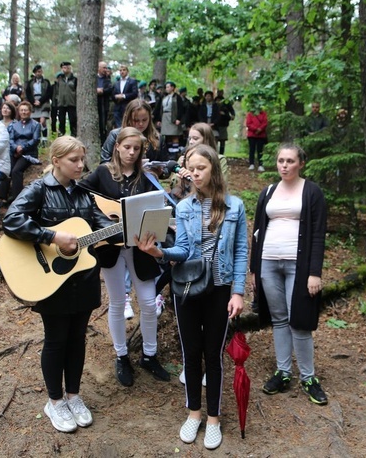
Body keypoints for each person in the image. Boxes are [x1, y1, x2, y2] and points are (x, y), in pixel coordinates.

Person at [3, 135, 121, 433]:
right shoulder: (38, 190)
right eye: (74, 160)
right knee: (56, 340)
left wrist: (130, 228)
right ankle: (55, 401)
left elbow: (102, 226)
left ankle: (74, 395)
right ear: (56, 161)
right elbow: (12, 220)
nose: (81, 165)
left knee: (78, 339)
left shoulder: (84, 194)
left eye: (83, 159)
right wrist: (52, 237)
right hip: (50, 281)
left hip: (82, 278)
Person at [135, 144, 246, 450]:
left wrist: (238, 291)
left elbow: (240, 251)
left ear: (214, 170)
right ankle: (193, 414)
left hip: (220, 287)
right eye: (191, 168)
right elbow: (182, 250)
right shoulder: (183, 207)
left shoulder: (234, 206)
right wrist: (159, 252)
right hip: (187, 287)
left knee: (213, 354)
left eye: (201, 168)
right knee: (191, 352)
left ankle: (213, 419)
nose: (195, 174)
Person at [80, 127, 170, 387]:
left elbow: (158, 207)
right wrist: (100, 220)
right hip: (110, 246)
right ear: (117, 146)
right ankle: (121, 355)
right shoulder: (101, 173)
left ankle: (150, 355)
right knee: (118, 301)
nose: (131, 153)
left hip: (141, 247)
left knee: (148, 301)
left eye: (137, 149)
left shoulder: (146, 178)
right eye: (127, 147)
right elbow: (80, 195)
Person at [250, 144, 328, 406]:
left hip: (299, 265)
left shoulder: (312, 192)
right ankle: (283, 373)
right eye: (281, 160)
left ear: (301, 163)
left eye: (290, 161)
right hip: (268, 263)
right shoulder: (269, 191)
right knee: (279, 319)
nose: (284, 165)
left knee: (300, 321)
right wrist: (254, 268)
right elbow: (257, 231)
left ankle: (308, 377)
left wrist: (314, 273)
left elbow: (317, 235)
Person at [0, 101, 40, 204]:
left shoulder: (35, 124)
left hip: (28, 153)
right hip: (15, 152)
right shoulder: (14, 125)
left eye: (25, 110)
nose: (23, 112)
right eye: (21, 110)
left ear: (30, 112)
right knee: (7, 170)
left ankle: (17, 198)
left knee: (16, 171)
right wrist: (16, 148)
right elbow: (10, 139)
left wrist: (23, 148)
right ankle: (2, 197)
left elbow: (35, 140)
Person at [100, 99, 167, 164]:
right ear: (128, 118)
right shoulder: (115, 135)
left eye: (144, 120)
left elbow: (165, 165)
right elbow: (104, 163)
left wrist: (157, 171)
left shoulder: (157, 138)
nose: (141, 124)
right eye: (136, 120)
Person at [153, 81, 184, 155]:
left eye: (168, 87)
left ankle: (175, 152)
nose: (166, 89)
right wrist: (159, 119)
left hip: (173, 117)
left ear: (172, 88)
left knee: (174, 135)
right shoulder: (164, 97)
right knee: (167, 135)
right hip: (165, 116)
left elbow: (181, 108)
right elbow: (159, 108)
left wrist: (178, 118)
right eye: (166, 87)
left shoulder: (177, 97)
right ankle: (169, 152)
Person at [25, 65, 52, 134]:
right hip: (33, 103)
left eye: (39, 71)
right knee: (35, 123)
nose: (38, 73)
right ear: (34, 73)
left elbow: (49, 93)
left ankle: (45, 137)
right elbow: (28, 93)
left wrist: (40, 101)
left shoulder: (46, 82)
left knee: (42, 121)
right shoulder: (30, 82)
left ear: (42, 72)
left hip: (44, 102)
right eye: (36, 72)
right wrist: (33, 101)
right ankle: (37, 137)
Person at [53, 62, 77, 137]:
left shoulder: (75, 79)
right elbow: (56, 91)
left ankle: (74, 136)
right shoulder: (59, 79)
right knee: (61, 121)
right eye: (64, 67)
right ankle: (61, 137)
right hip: (61, 103)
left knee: (72, 121)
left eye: (67, 67)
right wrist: (56, 101)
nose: (66, 69)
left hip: (71, 103)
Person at [245, 107, 268, 171]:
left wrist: (260, 129)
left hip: (261, 135)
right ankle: (251, 164)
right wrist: (256, 129)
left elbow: (265, 123)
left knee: (260, 150)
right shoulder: (250, 114)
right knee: (251, 150)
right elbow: (248, 124)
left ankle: (260, 165)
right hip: (252, 135)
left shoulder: (263, 113)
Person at [96, 61, 114, 143]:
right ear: (98, 68)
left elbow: (110, 89)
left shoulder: (108, 79)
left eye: (106, 68)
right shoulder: (94, 78)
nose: (105, 69)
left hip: (105, 104)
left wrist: (102, 90)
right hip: (96, 104)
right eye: (104, 68)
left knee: (104, 124)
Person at [214, 90, 235, 155]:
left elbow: (231, 110)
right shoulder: (214, 101)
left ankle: (221, 154)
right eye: (219, 92)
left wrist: (232, 115)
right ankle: (215, 154)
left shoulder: (226, 102)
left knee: (223, 140)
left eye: (221, 92)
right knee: (215, 140)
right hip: (215, 124)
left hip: (224, 123)